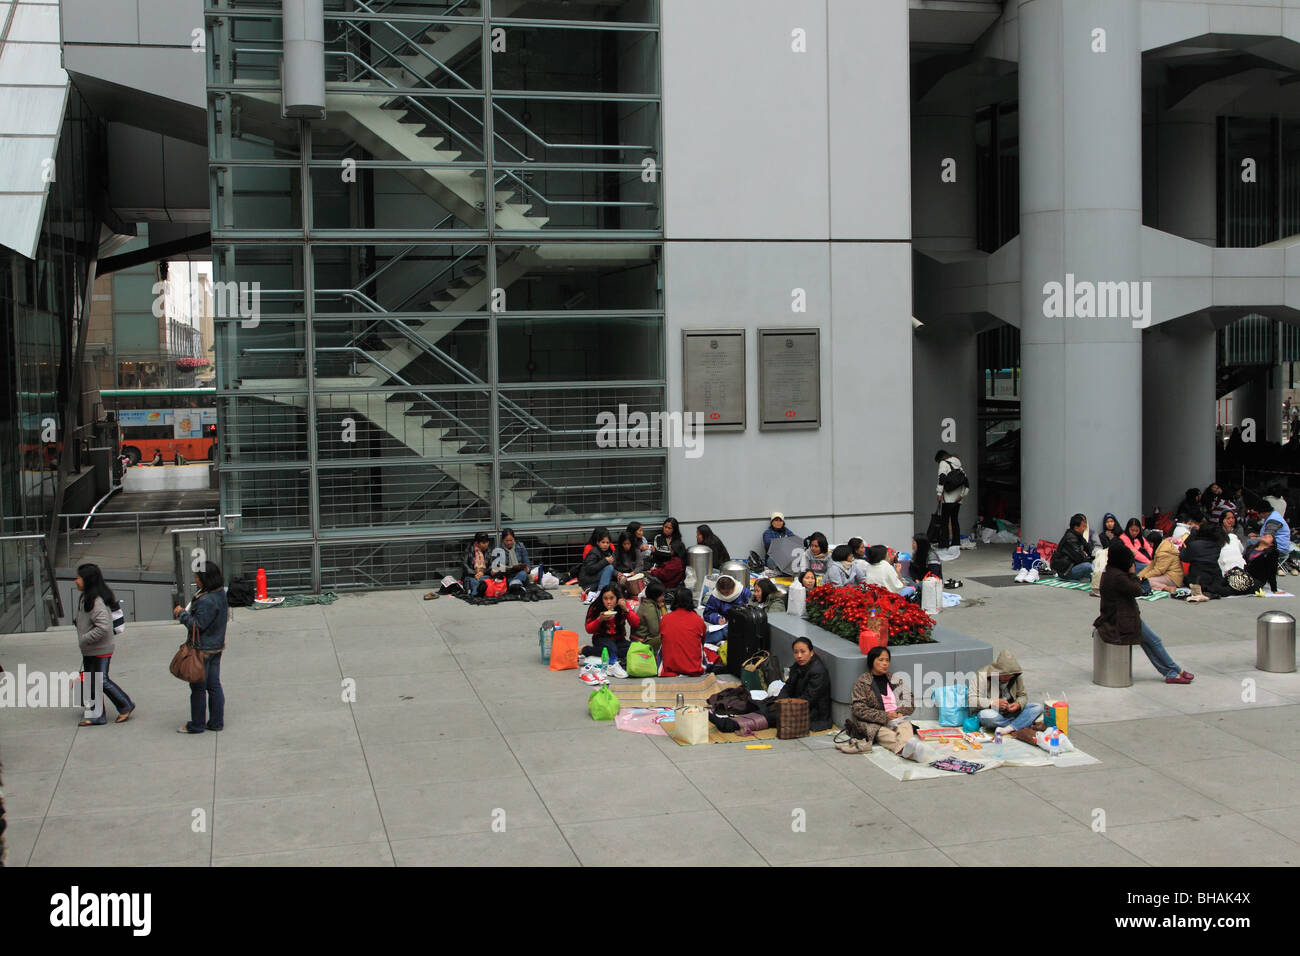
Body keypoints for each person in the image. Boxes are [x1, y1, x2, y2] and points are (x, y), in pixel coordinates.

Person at [1095, 541, 1194, 682]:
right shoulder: (1118, 577)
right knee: (1154, 641)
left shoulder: (1110, 572)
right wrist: (1132, 574)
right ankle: (1174, 670)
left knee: (1149, 643)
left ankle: (1172, 671)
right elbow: (1137, 590)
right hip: (1122, 620)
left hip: (1120, 616)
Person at [836, 646, 930, 760]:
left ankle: (908, 752)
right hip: (874, 723)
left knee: (905, 726)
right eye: (880, 660)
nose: (885, 663)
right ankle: (912, 753)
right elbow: (858, 708)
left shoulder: (894, 679)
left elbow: (909, 698)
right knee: (886, 735)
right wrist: (885, 716)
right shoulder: (863, 682)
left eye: (887, 660)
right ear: (872, 661)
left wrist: (900, 712)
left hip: (896, 719)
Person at [73, 563, 136, 726]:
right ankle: (97, 715)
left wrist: (85, 638)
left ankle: (125, 705)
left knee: (100, 679)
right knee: (91, 680)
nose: (76, 581)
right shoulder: (85, 598)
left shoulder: (96, 601)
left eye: (79, 577)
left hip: (100, 648)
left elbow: (103, 626)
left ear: (87, 580)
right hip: (90, 648)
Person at [173, 561, 228, 733]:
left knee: (198, 688)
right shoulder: (220, 594)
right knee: (214, 685)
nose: (195, 580)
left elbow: (197, 625)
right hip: (216, 646)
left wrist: (181, 613)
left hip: (202, 650)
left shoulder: (206, 600)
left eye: (197, 577)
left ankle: (197, 724)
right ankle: (216, 722)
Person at [970, 649, 1045, 741]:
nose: (1008, 678)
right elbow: (971, 700)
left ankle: (1008, 728)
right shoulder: (982, 676)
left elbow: (1023, 695)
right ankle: (1020, 723)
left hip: (1010, 712)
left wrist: (1018, 704)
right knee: (985, 715)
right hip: (993, 713)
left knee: (1038, 707)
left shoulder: (1015, 676)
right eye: (1004, 675)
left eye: (1010, 676)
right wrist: (992, 702)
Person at [770, 637, 831, 732]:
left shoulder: (818, 671)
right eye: (796, 652)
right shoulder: (797, 666)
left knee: (773, 716)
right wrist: (779, 702)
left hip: (813, 712)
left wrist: (786, 708)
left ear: (811, 653)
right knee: (767, 706)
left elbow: (809, 698)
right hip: (795, 704)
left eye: (803, 652)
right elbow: (787, 687)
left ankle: (741, 724)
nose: (799, 656)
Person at [583, 585, 638, 677]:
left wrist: (626, 609)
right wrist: (599, 619)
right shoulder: (596, 607)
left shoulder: (622, 604)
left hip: (619, 639)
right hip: (601, 638)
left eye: (612, 598)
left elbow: (635, 623)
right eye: (605, 599)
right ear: (601, 599)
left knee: (634, 649)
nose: (609, 602)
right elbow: (589, 629)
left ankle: (609, 653)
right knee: (612, 651)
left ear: (616, 598)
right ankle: (586, 650)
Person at [658, 587, 708, 677]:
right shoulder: (698, 620)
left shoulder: (665, 619)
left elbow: (662, 639)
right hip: (693, 667)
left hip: (670, 666)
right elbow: (702, 642)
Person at [1183, 520, 1232, 599]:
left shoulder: (1194, 544)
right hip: (1214, 576)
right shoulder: (1217, 545)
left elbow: (1184, 557)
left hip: (1197, 577)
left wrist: (1192, 535)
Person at [934, 448, 969, 548]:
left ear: (940, 458)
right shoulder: (959, 465)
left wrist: (939, 493)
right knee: (955, 520)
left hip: (948, 498)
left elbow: (941, 478)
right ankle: (956, 543)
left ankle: (944, 544)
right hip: (958, 499)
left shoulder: (943, 463)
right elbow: (966, 482)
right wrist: (962, 495)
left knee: (944, 521)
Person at [702, 574, 751, 644]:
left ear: (733, 587)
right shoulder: (716, 596)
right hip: (723, 626)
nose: (725, 595)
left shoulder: (744, 593)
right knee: (714, 636)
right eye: (722, 593)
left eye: (727, 592)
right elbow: (708, 613)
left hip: (741, 625)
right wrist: (717, 619)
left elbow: (753, 610)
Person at [1049, 513, 1093, 581]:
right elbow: (1079, 558)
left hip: (1072, 566)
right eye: (1083, 526)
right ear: (1076, 528)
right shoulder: (1070, 538)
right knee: (1089, 566)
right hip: (1065, 571)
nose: (1085, 529)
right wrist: (1090, 559)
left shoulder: (1079, 536)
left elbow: (1089, 549)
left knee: (1095, 565)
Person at [632, 580, 667, 653]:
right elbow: (655, 631)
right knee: (667, 636)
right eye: (662, 595)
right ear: (655, 596)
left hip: (642, 638)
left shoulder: (650, 603)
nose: (663, 597)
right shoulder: (650, 608)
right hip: (642, 641)